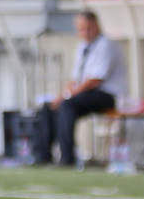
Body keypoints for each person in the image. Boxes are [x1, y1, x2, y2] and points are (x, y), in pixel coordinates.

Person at [32, 10, 127, 166]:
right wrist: (59, 97)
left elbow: (95, 80)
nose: (85, 33)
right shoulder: (82, 47)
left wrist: (68, 97)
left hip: (106, 95)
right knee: (48, 108)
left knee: (68, 105)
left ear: (96, 26)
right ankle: (43, 156)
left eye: (88, 28)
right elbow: (75, 80)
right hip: (84, 94)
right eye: (81, 29)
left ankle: (67, 157)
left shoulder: (106, 45)